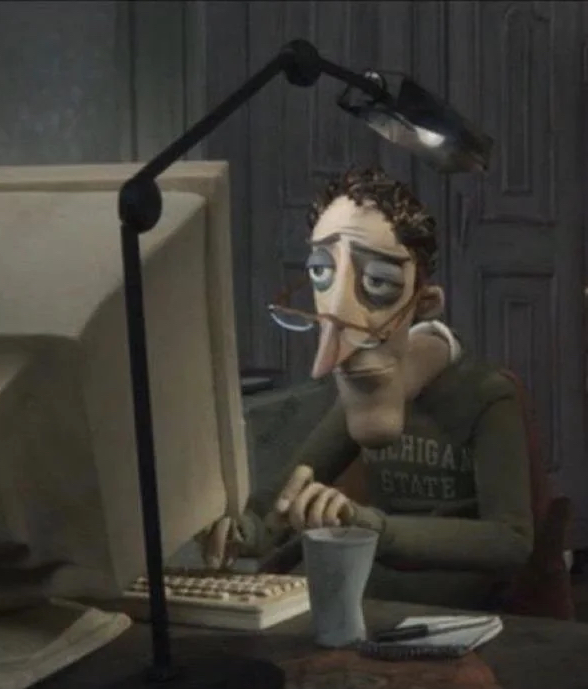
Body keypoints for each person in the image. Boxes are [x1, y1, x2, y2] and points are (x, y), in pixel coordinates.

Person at [202, 167, 533, 610]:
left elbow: (511, 540)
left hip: (450, 599)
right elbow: (288, 491)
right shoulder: (359, 396)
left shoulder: (487, 395)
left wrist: (371, 526)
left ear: (425, 304)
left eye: (379, 282)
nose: (329, 360)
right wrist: (247, 529)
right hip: (370, 585)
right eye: (321, 272)